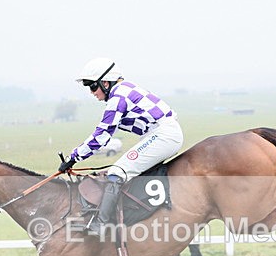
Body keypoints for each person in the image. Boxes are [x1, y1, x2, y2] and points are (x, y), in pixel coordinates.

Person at [58, 58, 184, 235]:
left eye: (93, 86)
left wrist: (74, 157)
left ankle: (102, 224)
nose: (92, 92)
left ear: (105, 83)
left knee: (117, 172)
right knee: (121, 171)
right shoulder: (125, 89)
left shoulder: (118, 97)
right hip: (161, 134)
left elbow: (102, 136)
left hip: (163, 135)